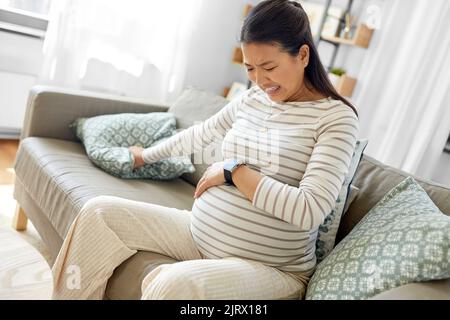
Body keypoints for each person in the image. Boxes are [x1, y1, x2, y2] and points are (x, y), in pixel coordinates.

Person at [52, 0, 359, 300]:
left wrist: (232, 171)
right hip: (198, 233)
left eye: (269, 67)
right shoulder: (251, 100)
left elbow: (308, 210)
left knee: (173, 286)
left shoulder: (336, 119)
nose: (260, 80)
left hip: (271, 268)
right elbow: (200, 134)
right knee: (99, 212)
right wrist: (144, 156)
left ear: (303, 55)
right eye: (251, 68)